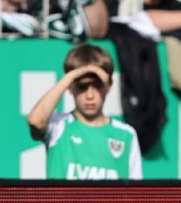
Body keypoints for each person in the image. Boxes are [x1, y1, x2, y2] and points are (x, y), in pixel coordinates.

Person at [26, 43, 142, 180]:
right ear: (70, 86)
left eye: (97, 85)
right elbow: (35, 121)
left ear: (109, 85)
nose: (90, 95)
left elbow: (135, 192)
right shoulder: (58, 125)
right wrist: (72, 75)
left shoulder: (126, 134)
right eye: (82, 86)